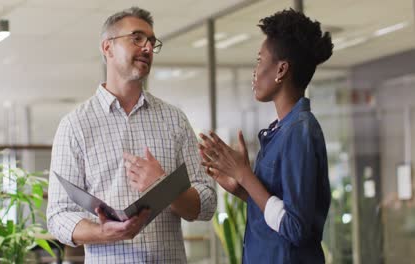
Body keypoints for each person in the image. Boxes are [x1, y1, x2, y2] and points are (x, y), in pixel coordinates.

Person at [46, 7, 216, 263]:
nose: (147, 47)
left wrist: (163, 185)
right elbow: (58, 216)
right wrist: (103, 232)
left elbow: (206, 204)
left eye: (151, 41)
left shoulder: (174, 120)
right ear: (108, 48)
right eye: (137, 38)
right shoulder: (74, 125)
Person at [198, 9, 333, 263]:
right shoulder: (282, 130)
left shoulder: (299, 130)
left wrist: (245, 175)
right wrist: (243, 190)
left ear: (281, 70)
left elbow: (295, 227)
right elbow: (278, 210)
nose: (255, 70)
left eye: (260, 60)